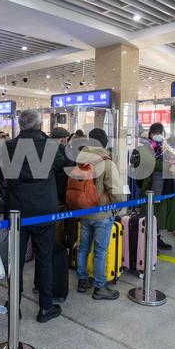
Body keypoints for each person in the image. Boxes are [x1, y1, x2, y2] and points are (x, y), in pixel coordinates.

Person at [4, 109, 66, 323]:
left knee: (15, 260)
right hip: (44, 211)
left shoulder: (8, 147)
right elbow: (62, 166)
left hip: (16, 212)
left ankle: (15, 305)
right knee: (44, 258)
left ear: (20, 126)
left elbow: (0, 174)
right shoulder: (50, 146)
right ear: (40, 125)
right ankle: (45, 307)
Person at [74, 128, 123, 300]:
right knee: (100, 251)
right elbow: (116, 191)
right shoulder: (106, 162)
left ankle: (82, 281)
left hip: (83, 211)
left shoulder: (80, 160)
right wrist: (116, 208)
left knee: (83, 248)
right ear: (105, 143)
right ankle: (100, 287)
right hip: (102, 213)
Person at [131, 123, 175, 250]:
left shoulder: (165, 147)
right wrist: (169, 165)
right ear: (150, 134)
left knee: (161, 217)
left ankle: (157, 239)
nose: (158, 136)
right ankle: (148, 244)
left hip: (165, 188)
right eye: (155, 133)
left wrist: (172, 162)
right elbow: (152, 164)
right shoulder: (144, 148)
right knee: (150, 215)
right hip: (150, 187)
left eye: (160, 133)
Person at [49, 127, 71, 207]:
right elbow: (70, 165)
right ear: (62, 139)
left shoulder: (45, 148)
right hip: (61, 186)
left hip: (48, 188)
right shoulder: (63, 149)